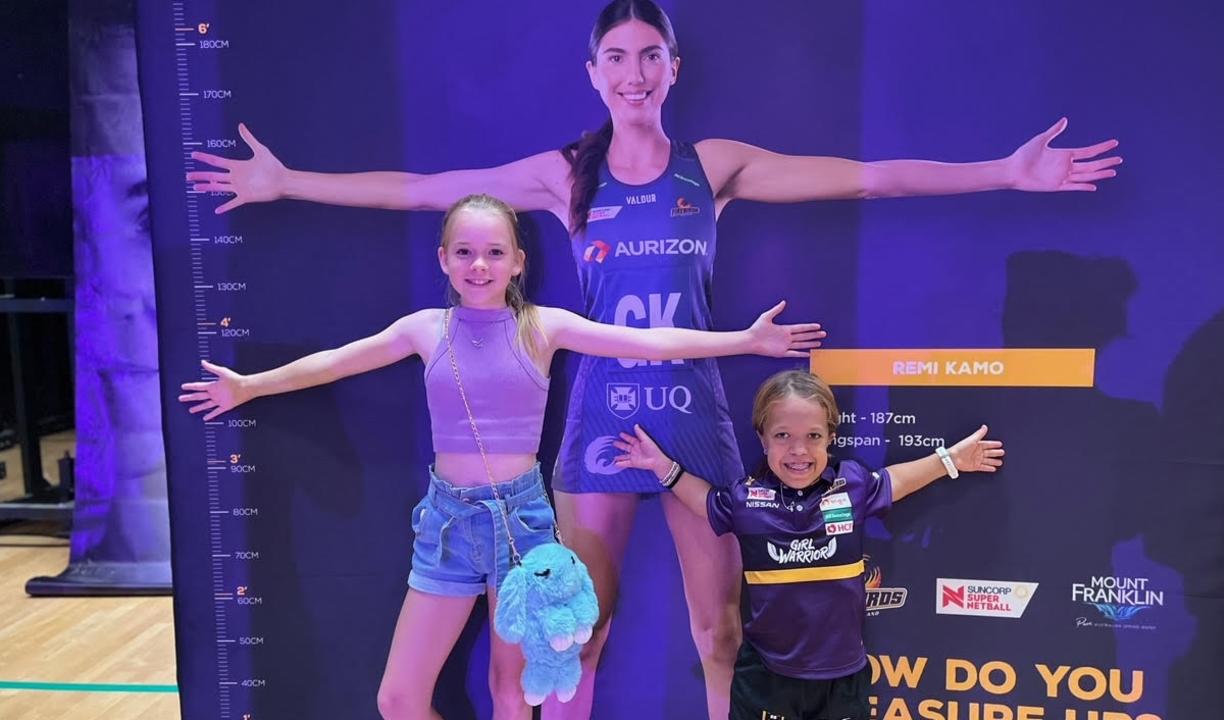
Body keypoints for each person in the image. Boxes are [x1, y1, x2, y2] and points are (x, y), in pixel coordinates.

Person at [185, 2, 1113, 715]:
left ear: (675, 66)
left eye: (651, 55)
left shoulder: (714, 166)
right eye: (617, 57)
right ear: (593, 71)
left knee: (721, 630)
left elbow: (868, 175)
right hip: (597, 422)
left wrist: (1004, 170)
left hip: (694, 421)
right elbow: (421, 191)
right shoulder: (564, 172)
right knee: (574, 628)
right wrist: (286, 182)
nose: (635, 73)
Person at [175, 194, 823, 720]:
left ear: (517, 261)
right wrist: (248, 386)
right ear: (444, 260)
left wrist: (744, 340)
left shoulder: (542, 327)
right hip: (447, 528)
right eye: (464, 253)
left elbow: (649, 341)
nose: (478, 266)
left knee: (513, 696)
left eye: (492, 253)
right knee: (398, 700)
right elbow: (335, 362)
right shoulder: (423, 330)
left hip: (523, 530)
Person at [611, 369, 1004, 720]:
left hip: (842, 679)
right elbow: (704, 501)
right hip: (766, 677)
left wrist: (949, 459)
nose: (798, 451)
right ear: (763, 439)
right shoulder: (747, 498)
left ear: (831, 438)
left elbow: (896, 480)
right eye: (783, 436)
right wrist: (662, 466)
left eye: (812, 437)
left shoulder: (851, 485)